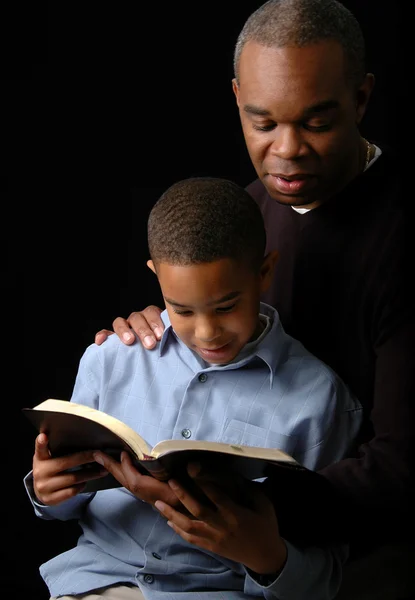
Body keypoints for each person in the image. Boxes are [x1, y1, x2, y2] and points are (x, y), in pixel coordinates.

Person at [94, 0, 415, 598]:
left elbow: (401, 472)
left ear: (362, 99)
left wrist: (234, 501)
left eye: (317, 123)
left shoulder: (401, 239)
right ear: (238, 98)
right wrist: (160, 327)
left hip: (359, 554)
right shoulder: (245, 214)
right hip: (221, 552)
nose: (287, 151)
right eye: (262, 123)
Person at [24, 176, 363, 600]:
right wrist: (49, 492)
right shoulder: (111, 359)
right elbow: (64, 503)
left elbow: (326, 577)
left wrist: (266, 555)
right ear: (156, 276)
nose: (207, 333)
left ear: (264, 272)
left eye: (226, 307)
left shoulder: (320, 401)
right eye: (181, 309)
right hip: (95, 582)